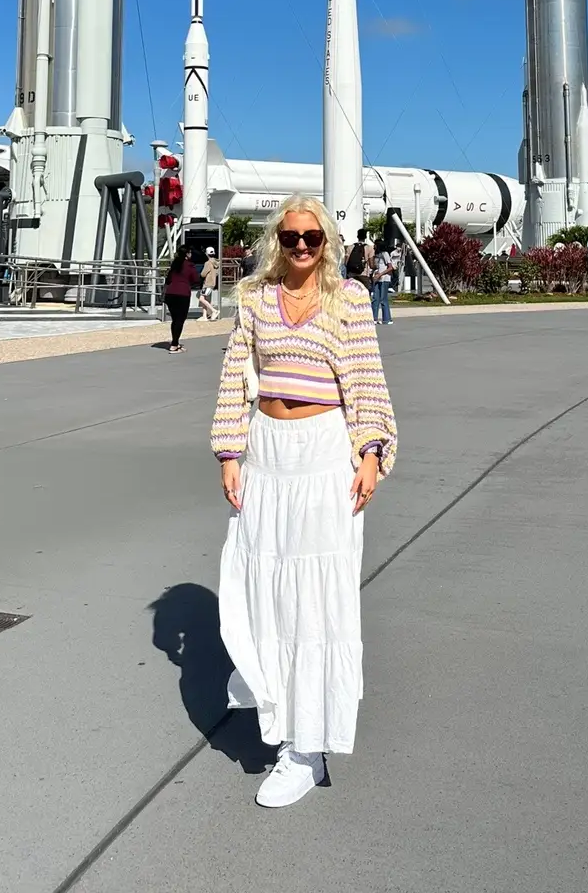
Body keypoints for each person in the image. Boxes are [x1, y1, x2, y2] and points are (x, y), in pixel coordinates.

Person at [212, 195, 396, 808]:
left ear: (327, 243)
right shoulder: (256, 301)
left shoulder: (348, 301)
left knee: (315, 602)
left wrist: (370, 451)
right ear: (275, 241)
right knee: (263, 591)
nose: (299, 247)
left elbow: (367, 382)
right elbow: (236, 378)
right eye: (290, 237)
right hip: (267, 453)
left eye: (311, 238)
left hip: (323, 455)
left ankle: (306, 750)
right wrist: (229, 453)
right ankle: (280, 721)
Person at [162, 247, 199, 352]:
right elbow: (195, 279)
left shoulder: (175, 264)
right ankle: (174, 345)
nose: (191, 254)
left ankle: (175, 342)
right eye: (190, 252)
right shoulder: (189, 265)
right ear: (187, 254)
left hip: (170, 293)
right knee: (180, 320)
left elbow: (168, 279)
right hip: (182, 293)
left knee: (175, 320)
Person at [371, 239, 397, 325]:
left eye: (375, 244)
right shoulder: (377, 255)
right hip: (377, 278)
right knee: (375, 298)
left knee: (383, 299)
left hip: (384, 278)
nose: (373, 246)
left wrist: (380, 274)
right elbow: (376, 266)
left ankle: (387, 319)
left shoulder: (385, 254)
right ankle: (374, 318)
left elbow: (390, 267)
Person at [198, 246, 221, 321]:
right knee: (206, 299)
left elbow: (203, 274)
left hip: (207, 282)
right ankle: (204, 316)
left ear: (207, 254)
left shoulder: (207, 263)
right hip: (213, 283)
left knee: (201, 299)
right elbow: (217, 273)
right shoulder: (217, 262)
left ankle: (214, 311)